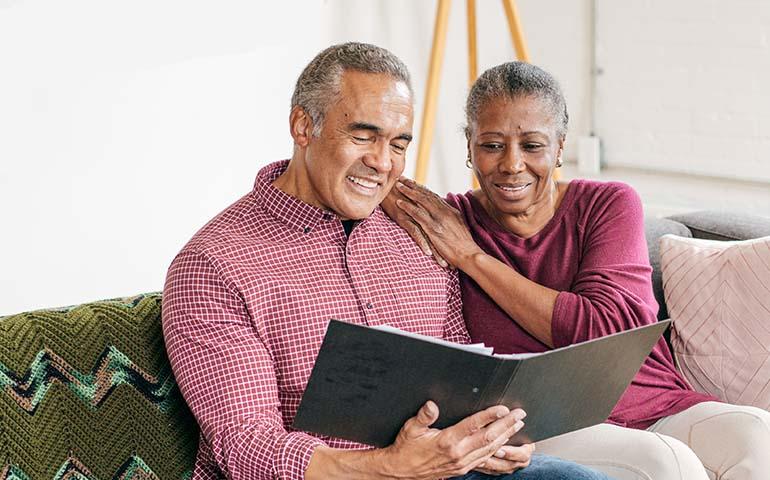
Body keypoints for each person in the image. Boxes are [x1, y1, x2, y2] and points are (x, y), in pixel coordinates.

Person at [162, 43, 613, 480]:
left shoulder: (417, 229)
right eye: (363, 136)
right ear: (303, 127)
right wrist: (394, 467)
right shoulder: (214, 265)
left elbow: (463, 372)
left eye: (399, 144)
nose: (382, 162)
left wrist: (492, 435)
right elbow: (246, 444)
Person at [382, 60, 770, 480]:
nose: (512, 165)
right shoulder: (447, 221)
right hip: (546, 421)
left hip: (657, 402)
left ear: (560, 145)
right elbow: (365, 177)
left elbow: (607, 330)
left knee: (756, 432)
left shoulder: (606, 204)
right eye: (492, 145)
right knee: (667, 463)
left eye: (532, 145)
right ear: (469, 145)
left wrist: (473, 259)